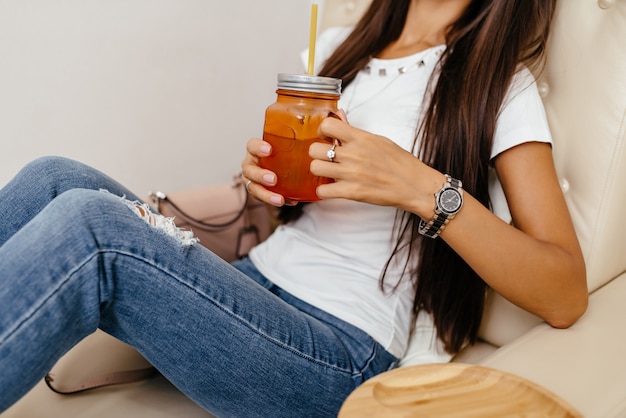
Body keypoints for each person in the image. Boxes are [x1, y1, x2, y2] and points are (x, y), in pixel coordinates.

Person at [0, 0, 587, 417]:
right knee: (54, 176)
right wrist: (263, 186)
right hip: (252, 284)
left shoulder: (501, 85)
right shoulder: (338, 51)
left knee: (92, 227)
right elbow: (293, 204)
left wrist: (419, 186)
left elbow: (563, 292)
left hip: (337, 349)